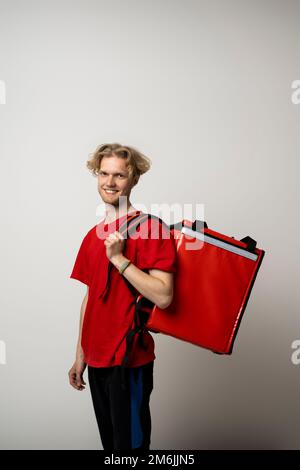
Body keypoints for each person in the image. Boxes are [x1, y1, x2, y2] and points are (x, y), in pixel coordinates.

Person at [68, 143, 177, 450]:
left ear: (133, 179)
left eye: (119, 175)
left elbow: (164, 295)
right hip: (97, 357)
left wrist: (119, 259)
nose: (110, 182)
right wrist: (80, 354)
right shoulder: (93, 235)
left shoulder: (151, 228)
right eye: (103, 173)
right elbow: (91, 297)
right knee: (112, 447)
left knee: (131, 449)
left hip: (128, 358)